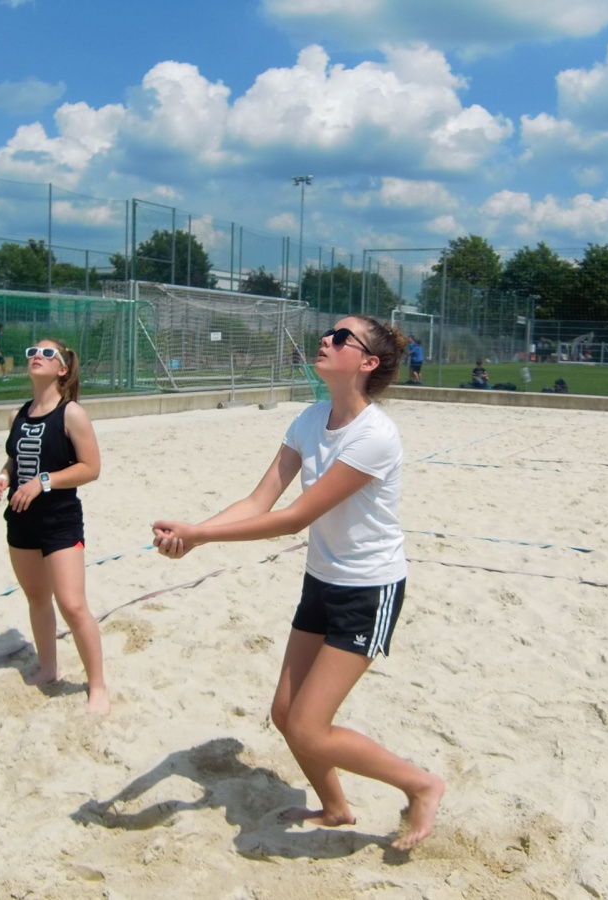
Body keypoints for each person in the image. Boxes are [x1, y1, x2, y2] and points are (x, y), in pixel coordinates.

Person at [151, 316, 445, 851]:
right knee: (286, 715)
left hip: (368, 589)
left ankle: (421, 785)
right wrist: (196, 532)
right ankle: (335, 807)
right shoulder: (310, 418)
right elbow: (259, 500)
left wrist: (202, 536)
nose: (326, 340)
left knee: (310, 726)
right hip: (322, 580)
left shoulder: (375, 435)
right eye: (329, 332)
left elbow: (293, 518)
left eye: (341, 338)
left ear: (368, 362)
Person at [0, 337, 109, 713]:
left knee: (72, 604)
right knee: (37, 599)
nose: (36, 357)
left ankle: (98, 686)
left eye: (46, 353)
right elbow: (16, 459)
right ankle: (48, 668)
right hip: (21, 520)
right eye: (32, 352)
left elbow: (91, 468)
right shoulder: (18, 415)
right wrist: (3, 478)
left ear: (62, 368)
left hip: (59, 521)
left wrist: (43, 482)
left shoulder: (71, 414)